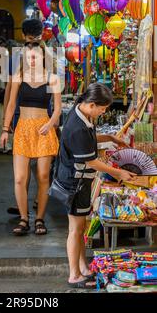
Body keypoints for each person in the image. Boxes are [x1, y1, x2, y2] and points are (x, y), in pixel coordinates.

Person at [56, 83, 136, 289]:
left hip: (79, 181)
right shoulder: (77, 127)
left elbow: (89, 141)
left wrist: (109, 138)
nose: (103, 112)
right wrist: (118, 172)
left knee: (80, 227)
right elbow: (91, 161)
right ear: (91, 105)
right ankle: (74, 275)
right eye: (102, 108)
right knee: (75, 229)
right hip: (75, 183)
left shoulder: (82, 115)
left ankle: (82, 268)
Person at [1, 42, 61, 235]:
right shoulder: (19, 77)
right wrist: (5, 128)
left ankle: (40, 219)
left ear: (43, 56)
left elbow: (58, 109)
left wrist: (50, 123)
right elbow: (11, 105)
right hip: (23, 129)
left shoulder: (53, 78)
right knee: (20, 178)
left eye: (34, 56)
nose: (31, 60)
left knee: (44, 177)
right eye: (27, 57)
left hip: (43, 128)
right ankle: (24, 219)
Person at [3, 20, 44, 215]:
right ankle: (29, 202)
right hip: (32, 111)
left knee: (32, 160)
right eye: (31, 38)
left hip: (33, 111)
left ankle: (30, 202)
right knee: (32, 160)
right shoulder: (19, 59)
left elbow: (10, 89)